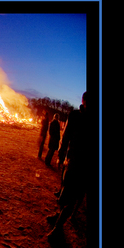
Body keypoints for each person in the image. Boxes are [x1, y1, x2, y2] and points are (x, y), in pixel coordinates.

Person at [47, 92, 89, 239]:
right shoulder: (75, 115)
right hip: (71, 161)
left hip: (85, 167)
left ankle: (58, 227)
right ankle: (58, 215)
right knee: (64, 193)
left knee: (72, 198)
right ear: (83, 101)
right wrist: (61, 155)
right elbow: (66, 136)